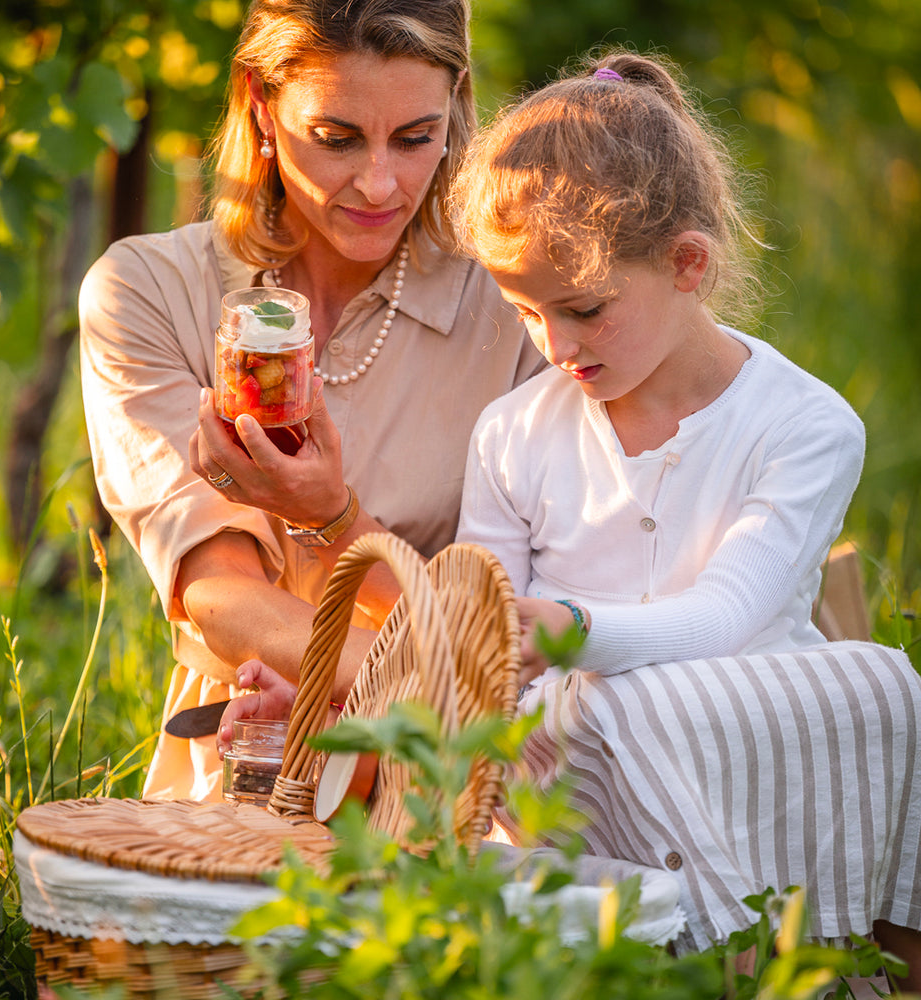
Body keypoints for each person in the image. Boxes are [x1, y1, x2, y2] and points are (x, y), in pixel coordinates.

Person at [447, 50, 921, 981]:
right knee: (589, 712)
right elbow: (474, 631)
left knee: (887, 690)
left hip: (745, 738)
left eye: (583, 308)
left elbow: (726, 620)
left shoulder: (806, 424)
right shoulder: (514, 432)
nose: (555, 345)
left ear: (689, 264)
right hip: (576, 767)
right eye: (526, 311)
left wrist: (569, 629)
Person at [77, 0, 545, 802]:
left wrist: (333, 521)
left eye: (415, 137)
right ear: (261, 103)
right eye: (335, 139)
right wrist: (445, 694)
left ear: (457, 105)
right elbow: (223, 595)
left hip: (460, 788)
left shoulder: (518, 306)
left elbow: (546, 604)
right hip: (251, 755)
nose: (379, 183)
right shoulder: (149, 291)